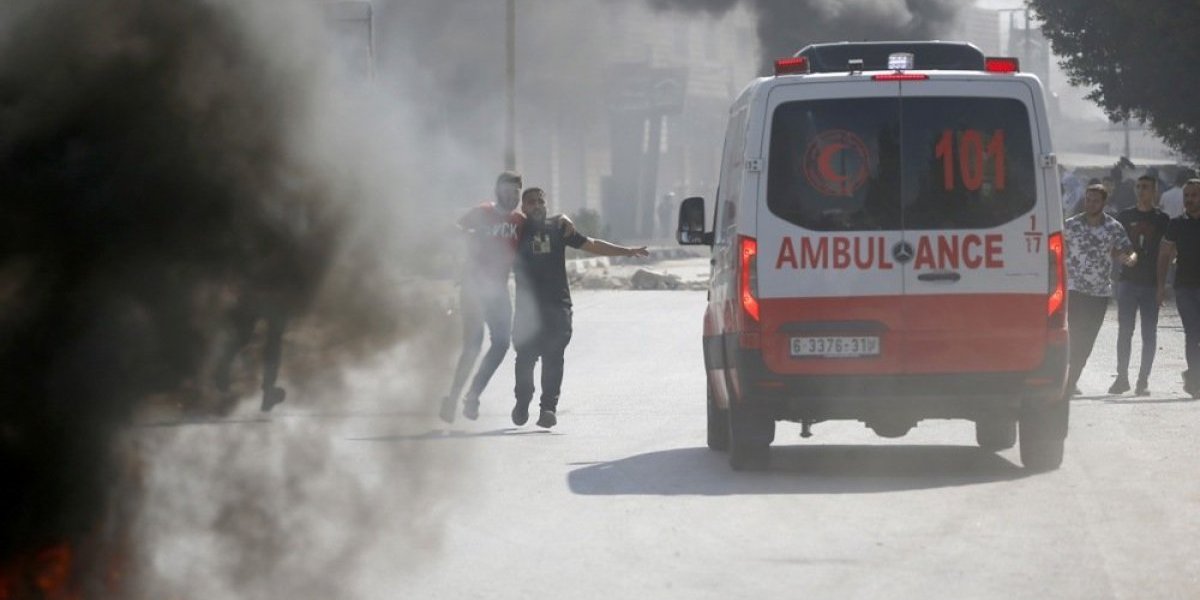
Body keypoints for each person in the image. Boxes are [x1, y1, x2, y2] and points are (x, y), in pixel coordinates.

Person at [510, 187, 648, 428]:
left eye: (540, 201)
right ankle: (523, 401)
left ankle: (548, 409)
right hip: (526, 310)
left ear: (546, 204)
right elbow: (492, 228)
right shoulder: (517, 230)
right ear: (523, 207)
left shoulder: (558, 228)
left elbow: (591, 244)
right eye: (530, 202)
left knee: (554, 357)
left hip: (557, 306)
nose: (536, 206)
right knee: (525, 360)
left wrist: (626, 251)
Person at [440, 171, 525, 423]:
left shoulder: (520, 221)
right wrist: (467, 238)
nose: (512, 196)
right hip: (473, 287)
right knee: (473, 345)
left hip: (498, 290)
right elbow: (453, 230)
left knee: (501, 343)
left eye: (516, 192)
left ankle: (472, 395)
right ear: (498, 191)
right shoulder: (482, 212)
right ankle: (453, 398)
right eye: (508, 191)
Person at [1064, 184, 1136, 396]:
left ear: (1104, 203)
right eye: (1088, 199)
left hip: (1099, 292)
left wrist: (1129, 259)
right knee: (1072, 336)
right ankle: (1067, 381)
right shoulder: (1071, 225)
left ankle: (1072, 379)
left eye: (1095, 200)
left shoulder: (1114, 227)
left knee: (1087, 340)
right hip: (1074, 289)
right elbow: (1056, 248)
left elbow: (1129, 250)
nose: (1090, 204)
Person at [1110, 175, 1170, 395]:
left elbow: (1167, 251)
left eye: (1145, 187)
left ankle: (1142, 380)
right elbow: (1113, 246)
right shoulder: (1125, 216)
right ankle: (1122, 377)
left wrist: (1163, 284)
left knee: (1149, 334)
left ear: (1154, 191)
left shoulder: (1162, 219)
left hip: (1151, 283)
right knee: (1125, 331)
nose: (1141, 190)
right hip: (1128, 282)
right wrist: (1122, 257)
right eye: (1138, 186)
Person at [1157, 179, 1200, 398]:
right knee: (1192, 334)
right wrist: (1160, 285)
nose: (1190, 200)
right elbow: (1164, 254)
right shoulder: (1177, 224)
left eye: (1194, 195)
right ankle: (1195, 379)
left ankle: (1194, 375)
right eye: (1187, 196)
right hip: (1185, 288)